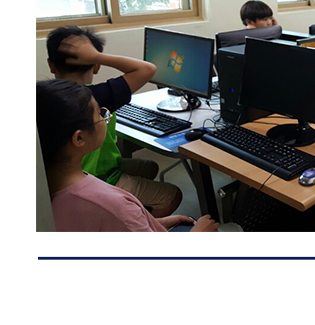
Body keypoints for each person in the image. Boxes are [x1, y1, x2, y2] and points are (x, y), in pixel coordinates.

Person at [37, 79, 220, 232]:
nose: (105, 116)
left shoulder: (45, 191)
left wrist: (148, 222)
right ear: (79, 138)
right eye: (99, 114)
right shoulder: (115, 205)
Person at [46, 26, 182, 217]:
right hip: (96, 178)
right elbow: (147, 69)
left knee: (150, 167)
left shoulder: (46, 97)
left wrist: (94, 57)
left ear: (51, 65)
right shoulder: (94, 98)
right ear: (96, 66)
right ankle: (131, 222)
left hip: (83, 172)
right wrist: (97, 56)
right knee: (173, 196)